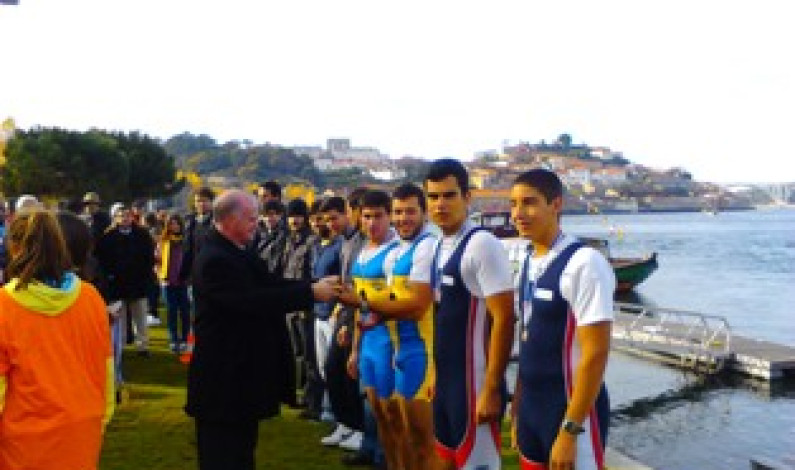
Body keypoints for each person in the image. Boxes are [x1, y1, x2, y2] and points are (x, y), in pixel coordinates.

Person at [184, 189, 339, 470]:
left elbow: (269, 283)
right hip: (223, 380)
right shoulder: (216, 259)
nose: (257, 225)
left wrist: (313, 285)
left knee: (242, 451)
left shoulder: (235, 251)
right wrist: (311, 293)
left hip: (239, 379)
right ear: (230, 219)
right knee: (224, 455)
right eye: (251, 219)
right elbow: (251, 300)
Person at [509, 169, 614, 470]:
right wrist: (517, 406)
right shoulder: (529, 259)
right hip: (532, 410)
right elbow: (528, 337)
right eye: (514, 204)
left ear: (556, 204)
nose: (518, 213)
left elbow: (596, 353)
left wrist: (570, 430)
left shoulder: (584, 263)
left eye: (529, 203)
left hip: (569, 411)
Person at [0, 209, 114, 470]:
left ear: (15, 249)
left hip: (22, 446)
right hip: (82, 435)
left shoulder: (4, 307)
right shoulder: (91, 298)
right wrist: (99, 421)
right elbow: (105, 372)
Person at [424, 159, 515, 470]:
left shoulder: (482, 245)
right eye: (433, 197)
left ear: (467, 197)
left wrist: (492, 389)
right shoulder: (440, 246)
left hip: (474, 384)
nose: (440, 205)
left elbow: (504, 318)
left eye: (449, 195)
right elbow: (442, 316)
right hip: (448, 382)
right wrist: (436, 373)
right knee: (445, 460)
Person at [342, 183, 439, 470]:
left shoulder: (420, 248)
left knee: (419, 437)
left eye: (410, 211)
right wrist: (358, 344)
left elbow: (414, 306)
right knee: (387, 423)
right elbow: (383, 304)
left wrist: (361, 303)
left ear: (424, 212)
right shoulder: (383, 253)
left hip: (410, 349)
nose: (402, 218)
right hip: (388, 347)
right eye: (399, 212)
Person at [337, 190, 401, 470]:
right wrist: (354, 348)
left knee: (389, 409)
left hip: (390, 341)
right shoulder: (363, 252)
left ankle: (388, 459)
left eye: (378, 216)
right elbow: (359, 305)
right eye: (367, 217)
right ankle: (372, 451)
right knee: (371, 402)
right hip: (369, 341)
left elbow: (398, 304)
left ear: (390, 217)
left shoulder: (396, 253)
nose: (372, 223)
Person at [96, 204, 156, 356]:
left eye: (127, 216)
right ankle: (119, 346)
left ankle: (143, 346)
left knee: (141, 317)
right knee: (119, 318)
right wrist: (109, 276)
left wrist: (146, 276)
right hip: (116, 284)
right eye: (121, 216)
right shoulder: (107, 237)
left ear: (132, 217)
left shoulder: (142, 235)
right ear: (115, 218)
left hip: (138, 283)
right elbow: (102, 260)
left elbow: (149, 258)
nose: (124, 219)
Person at [157, 213, 191, 353]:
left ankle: (184, 339)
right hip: (168, 282)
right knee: (171, 312)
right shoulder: (163, 241)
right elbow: (157, 261)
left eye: (176, 223)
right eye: (171, 224)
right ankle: (173, 340)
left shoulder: (186, 241)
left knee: (184, 312)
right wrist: (160, 276)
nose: (174, 226)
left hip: (183, 282)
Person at [179, 187, 215, 283]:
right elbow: (187, 250)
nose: (201, 204)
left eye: (205, 201)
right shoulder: (190, 223)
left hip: (213, 274)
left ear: (212, 202)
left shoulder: (218, 223)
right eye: (198, 201)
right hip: (194, 275)